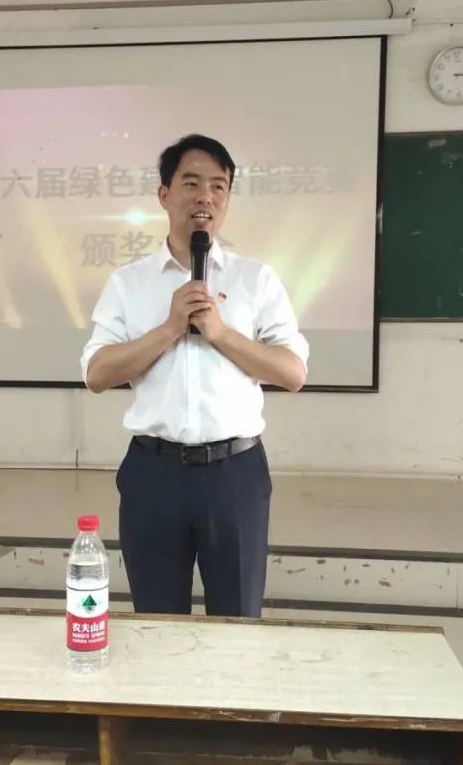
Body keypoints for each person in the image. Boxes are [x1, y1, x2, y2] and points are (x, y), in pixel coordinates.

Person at [80, 134, 308, 618]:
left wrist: (220, 333)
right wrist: (169, 328)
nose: (206, 196)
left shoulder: (256, 279)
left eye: (218, 186)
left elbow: (292, 372)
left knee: (238, 621)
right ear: (164, 195)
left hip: (235, 474)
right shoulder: (129, 282)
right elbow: (97, 373)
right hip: (154, 474)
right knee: (158, 621)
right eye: (191, 183)